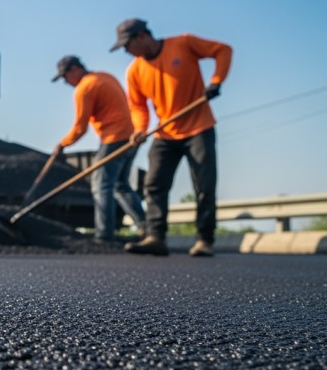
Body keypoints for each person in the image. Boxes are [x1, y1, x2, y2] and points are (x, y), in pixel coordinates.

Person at [110, 18, 232, 257]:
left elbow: (223, 50)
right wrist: (140, 128)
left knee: (204, 185)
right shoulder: (134, 70)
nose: (126, 51)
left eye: (127, 45)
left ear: (142, 36)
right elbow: (138, 106)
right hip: (165, 132)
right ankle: (155, 237)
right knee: (154, 184)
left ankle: (204, 240)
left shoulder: (183, 44)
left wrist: (216, 81)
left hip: (199, 127)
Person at [51, 55, 146, 242]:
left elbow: (80, 128)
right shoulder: (105, 76)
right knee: (120, 184)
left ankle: (104, 234)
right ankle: (147, 228)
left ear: (74, 69)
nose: (66, 82)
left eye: (65, 77)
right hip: (130, 136)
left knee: (101, 184)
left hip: (114, 138)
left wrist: (62, 144)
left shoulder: (85, 88)